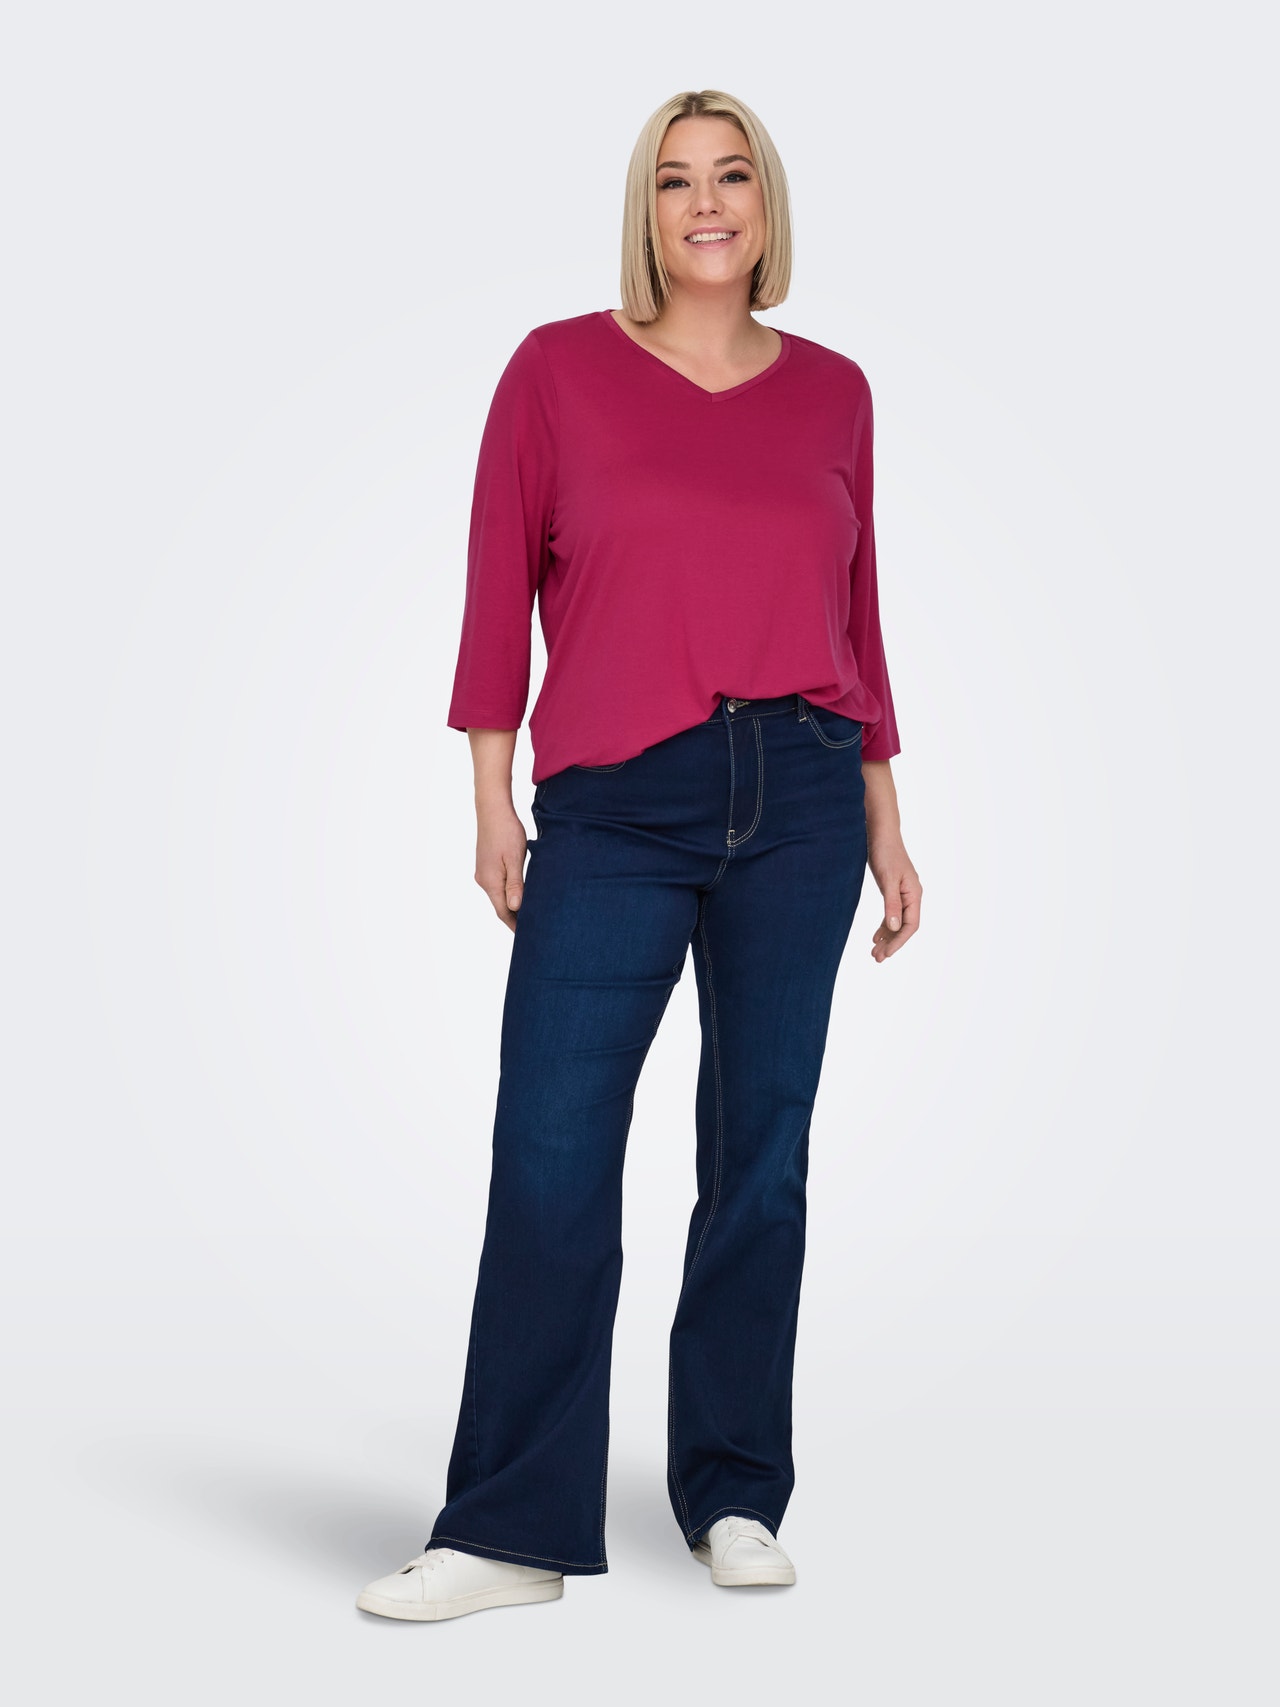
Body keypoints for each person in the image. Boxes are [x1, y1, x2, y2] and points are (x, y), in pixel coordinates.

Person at [357, 87, 922, 1623]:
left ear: (767, 203)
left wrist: (886, 815)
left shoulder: (836, 394)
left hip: (803, 795)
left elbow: (859, 617)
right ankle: (507, 1530)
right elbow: (498, 588)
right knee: (552, 1150)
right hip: (615, 801)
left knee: (760, 1155)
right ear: (647, 211)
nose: (707, 205)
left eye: (733, 176)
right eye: (676, 182)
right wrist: (492, 798)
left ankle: (734, 1490)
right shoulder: (556, 372)